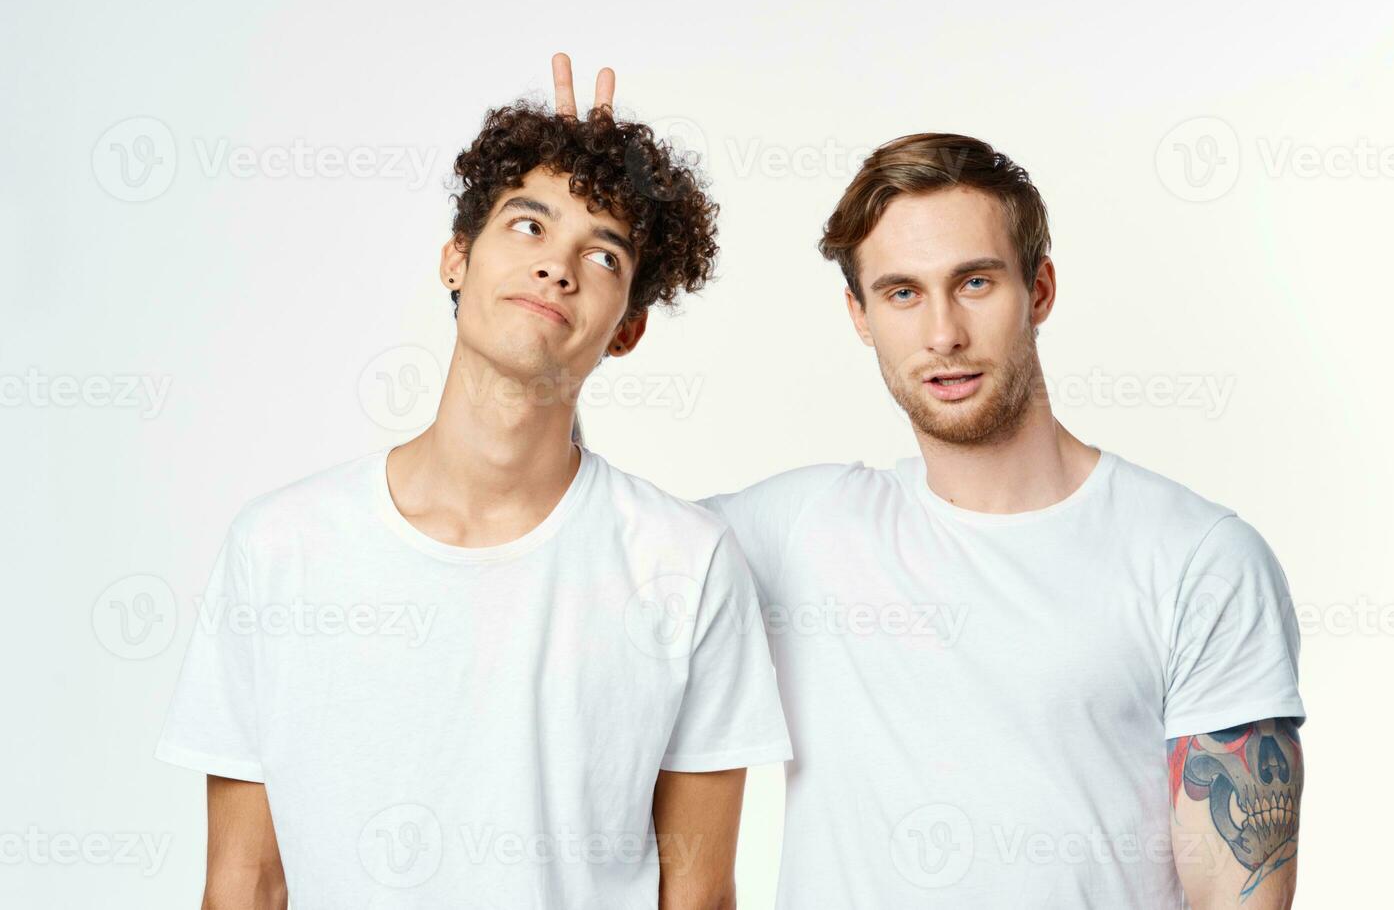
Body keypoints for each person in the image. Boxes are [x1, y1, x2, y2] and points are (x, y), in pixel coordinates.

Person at [156, 56, 790, 909]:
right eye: (529, 226)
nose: (557, 268)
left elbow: (701, 895)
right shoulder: (280, 549)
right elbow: (244, 883)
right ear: (456, 259)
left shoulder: (688, 563)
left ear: (628, 329)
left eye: (602, 256)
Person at [700, 132, 1305, 908]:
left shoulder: (1198, 559)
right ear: (859, 315)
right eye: (902, 293)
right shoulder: (799, 533)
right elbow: (557, 522)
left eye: (975, 282)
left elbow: (1238, 897)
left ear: (1040, 289)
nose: (943, 333)